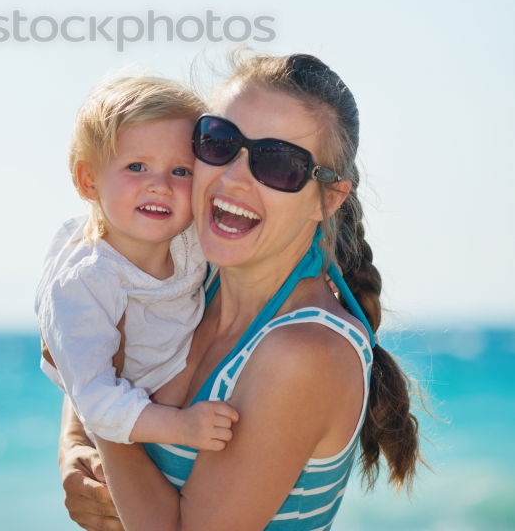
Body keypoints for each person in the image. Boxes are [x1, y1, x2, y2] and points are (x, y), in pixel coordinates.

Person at [59, 53, 420, 531]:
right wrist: (76, 453)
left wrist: (106, 418)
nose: (232, 177)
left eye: (280, 164)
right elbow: (90, 348)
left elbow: (94, 372)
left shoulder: (303, 353)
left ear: (328, 198)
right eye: (219, 142)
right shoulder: (189, 275)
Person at [36, 75, 239, 452]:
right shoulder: (88, 281)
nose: (160, 185)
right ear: (88, 180)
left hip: (174, 385)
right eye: (136, 167)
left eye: (181, 171)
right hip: (137, 421)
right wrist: (179, 427)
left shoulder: (190, 238)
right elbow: (94, 400)